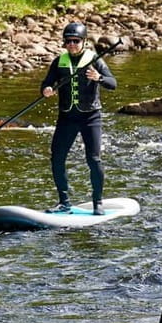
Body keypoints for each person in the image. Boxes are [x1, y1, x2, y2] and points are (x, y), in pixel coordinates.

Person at [41, 22, 117, 215]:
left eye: (76, 41)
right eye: (68, 41)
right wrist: (46, 89)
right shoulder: (59, 61)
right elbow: (47, 82)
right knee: (57, 157)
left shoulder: (95, 60)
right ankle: (64, 202)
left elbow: (112, 83)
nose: (72, 45)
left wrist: (98, 77)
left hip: (91, 117)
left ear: (84, 42)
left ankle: (97, 202)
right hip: (67, 117)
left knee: (93, 159)